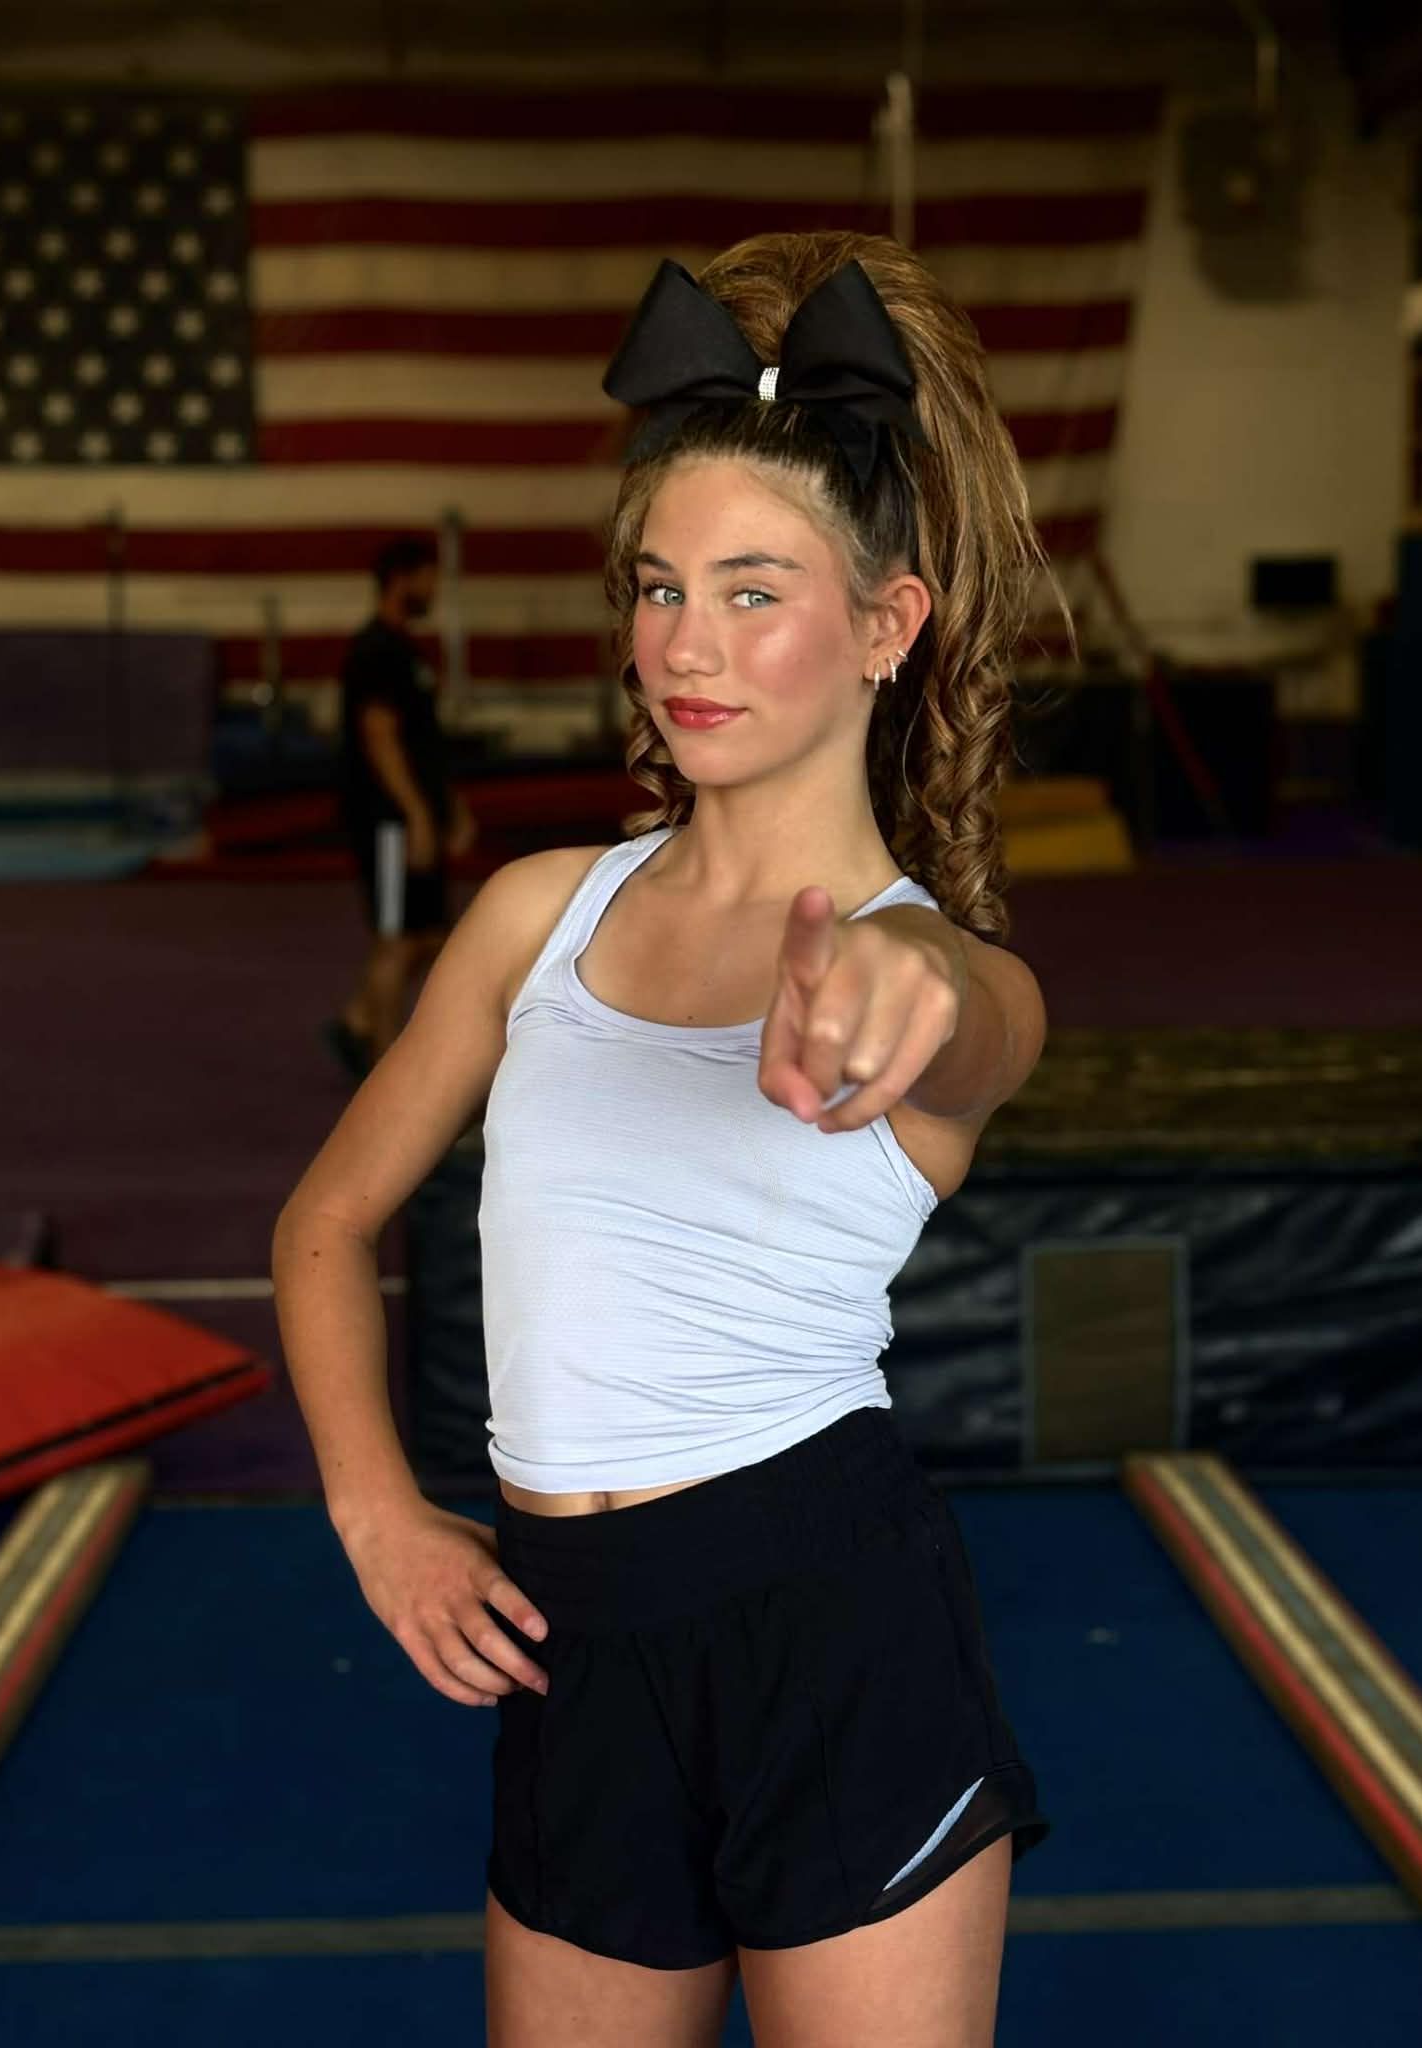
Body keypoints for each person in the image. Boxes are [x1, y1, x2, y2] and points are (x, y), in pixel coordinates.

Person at [273, 231, 1060, 2047]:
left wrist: (908, 983)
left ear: (887, 622)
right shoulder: (531, 914)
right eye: (656, 586)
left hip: (830, 1630)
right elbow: (327, 1221)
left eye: (752, 591)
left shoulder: (922, 962)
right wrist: (379, 1508)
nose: (684, 647)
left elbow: (985, 1016)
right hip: (574, 1644)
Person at [326, 533, 478, 1075]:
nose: (434, 588)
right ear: (403, 579)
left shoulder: (405, 651)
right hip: (388, 823)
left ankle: (358, 1021)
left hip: (412, 816)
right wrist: (414, 814)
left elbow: (420, 741)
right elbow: (379, 736)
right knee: (395, 939)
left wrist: (449, 807)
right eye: (428, 577)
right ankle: (383, 1065)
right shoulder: (375, 651)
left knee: (430, 934)